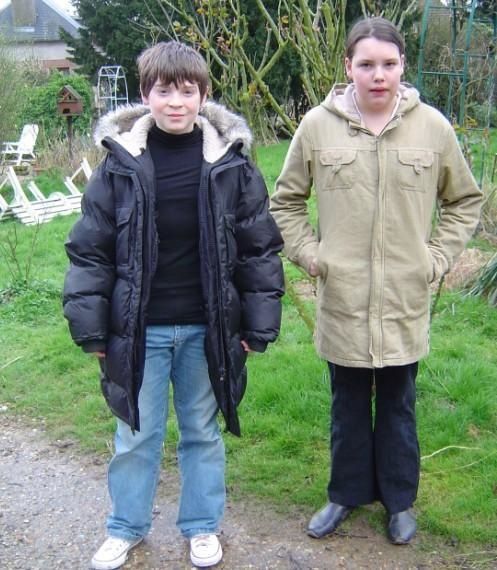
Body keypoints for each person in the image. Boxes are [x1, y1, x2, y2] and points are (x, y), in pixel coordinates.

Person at [63, 41, 284, 569]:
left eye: (188, 91)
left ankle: (202, 526)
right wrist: (92, 328)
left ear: (204, 95)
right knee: (135, 434)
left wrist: (257, 325)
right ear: (146, 95)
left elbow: (258, 248)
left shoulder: (231, 164)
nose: (176, 102)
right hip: (139, 328)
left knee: (202, 432)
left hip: (208, 327)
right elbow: (91, 250)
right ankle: (125, 527)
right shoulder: (119, 165)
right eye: (164, 91)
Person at [270, 17, 482, 545]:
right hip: (343, 298)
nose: (378, 75)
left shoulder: (432, 128)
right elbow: (285, 202)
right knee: (346, 405)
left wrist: (435, 258)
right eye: (366, 64)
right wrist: (311, 255)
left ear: (402, 66)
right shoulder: (317, 127)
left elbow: (464, 201)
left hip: (403, 299)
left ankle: (399, 502)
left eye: (388, 64)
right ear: (348, 67)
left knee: (397, 405)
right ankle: (344, 494)